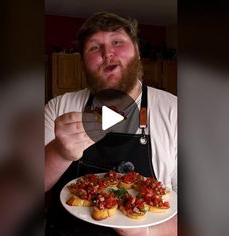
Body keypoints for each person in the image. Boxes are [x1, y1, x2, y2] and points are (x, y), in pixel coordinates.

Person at [45, 11, 177, 236]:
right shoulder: (60, 107)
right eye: (94, 47)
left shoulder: (175, 112)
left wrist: (143, 232)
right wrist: (59, 152)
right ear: (83, 61)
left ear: (136, 50)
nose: (107, 53)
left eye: (117, 42)